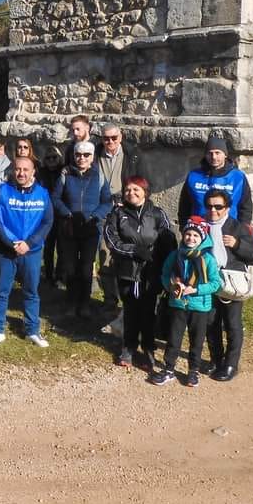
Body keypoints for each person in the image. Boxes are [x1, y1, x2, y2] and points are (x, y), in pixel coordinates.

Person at [103, 177, 175, 370]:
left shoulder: (157, 214)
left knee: (148, 311)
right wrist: (134, 250)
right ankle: (128, 347)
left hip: (151, 271)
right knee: (130, 310)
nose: (131, 193)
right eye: (127, 190)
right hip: (127, 270)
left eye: (136, 189)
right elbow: (112, 239)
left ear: (145, 191)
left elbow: (168, 238)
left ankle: (148, 348)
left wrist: (165, 262)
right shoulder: (117, 214)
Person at [150, 216, 223, 387]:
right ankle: (169, 369)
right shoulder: (175, 255)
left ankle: (193, 371)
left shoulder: (208, 259)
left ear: (202, 238)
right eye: (188, 234)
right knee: (174, 339)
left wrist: (196, 289)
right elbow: (165, 274)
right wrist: (171, 286)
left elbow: (216, 283)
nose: (191, 238)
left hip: (200, 306)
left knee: (196, 341)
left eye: (196, 235)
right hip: (178, 304)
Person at [0, 156, 54, 347]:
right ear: (13, 170)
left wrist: (29, 243)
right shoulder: (2, 191)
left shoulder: (42, 194)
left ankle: (33, 330)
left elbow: (47, 222)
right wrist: (11, 243)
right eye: (18, 169)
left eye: (26, 170)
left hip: (31, 252)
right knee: (2, 291)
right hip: (7, 250)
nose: (21, 173)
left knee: (31, 292)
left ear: (33, 172)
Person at [203, 188, 253, 382]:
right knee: (210, 322)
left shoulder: (239, 227)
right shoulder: (201, 225)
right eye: (209, 206)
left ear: (227, 208)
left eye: (218, 206)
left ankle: (231, 364)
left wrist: (237, 244)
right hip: (208, 283)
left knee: (232, 324)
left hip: (231, 283)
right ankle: (216, 360)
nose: (213, 210)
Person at [51, 141, 112, 319]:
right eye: (78, 154)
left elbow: (107, 202)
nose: (82, 158)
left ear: (92, 157)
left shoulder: (99, 176)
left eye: (86, 155)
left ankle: (85, 303)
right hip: (69, 229)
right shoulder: (65, 174)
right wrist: (67, 213)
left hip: (90, 229)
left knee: (86, 269)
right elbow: (55, 198)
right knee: (70, 267)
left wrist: (95, 216)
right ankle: (71, 302)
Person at [96, 124, 142, 314]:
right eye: (106, 138)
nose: (110, 142)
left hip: (126, 210)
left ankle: (129, 299)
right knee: (104, 254)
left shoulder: (133, 155)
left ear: (120, 137)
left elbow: (143, 182)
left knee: (127, 254)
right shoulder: (95, 154)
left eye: (114, 138)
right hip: (103, 209)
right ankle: (109, 299)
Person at [178, 135, 253, 225]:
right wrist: (184, 227)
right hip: (199, 228)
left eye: (217, 153)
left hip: (228, 229)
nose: (213, 157)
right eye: (210, 153)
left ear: (225, 155)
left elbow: (246, 208)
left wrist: (242, 230)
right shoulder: (194, 176)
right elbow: (184, 206)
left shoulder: (238, 177)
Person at [37, 146, 65, 284]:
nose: (51, 160)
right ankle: (48, 274)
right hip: (46, 213)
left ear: (59, 158)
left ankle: (59, 275)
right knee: (48, 246)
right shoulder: (41, 173)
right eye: (48, 158)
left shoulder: (64, 171)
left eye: (54, 157)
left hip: (61, 213)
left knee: (61, 246)